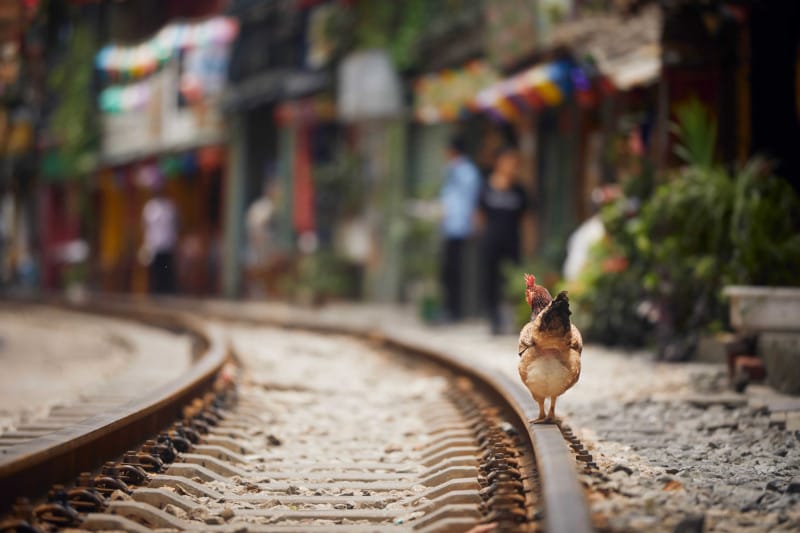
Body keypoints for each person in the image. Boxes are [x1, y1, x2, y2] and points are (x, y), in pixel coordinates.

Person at [479, 147, 530, 334]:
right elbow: (480, 215)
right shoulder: (486, 186)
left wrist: (527, 244)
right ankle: (494, 320)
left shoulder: (519, 190)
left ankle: (514, 318)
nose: (512, 167)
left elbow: (526, 219)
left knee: (513, 282)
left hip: (512, 242)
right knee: (491, 281)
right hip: (491, 242)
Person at [439, 136, 481, 322]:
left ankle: (456, 311)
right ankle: (450, 309)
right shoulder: (453, 170)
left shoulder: (466, 172)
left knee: (456, 272)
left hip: (461, 228)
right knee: (448, 271)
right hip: (451, 226)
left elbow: (471, 201)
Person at [141, 182, 178, 294]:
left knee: (166, 270)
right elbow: (144, 225)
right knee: (156, 271)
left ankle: (167, 291)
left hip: (167, 244)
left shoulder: (169, 206)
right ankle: (156, 292)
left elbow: (175, 223)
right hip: (154, 245)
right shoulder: (150, 207)